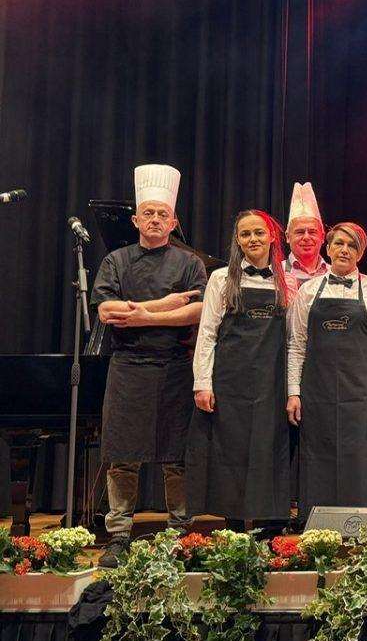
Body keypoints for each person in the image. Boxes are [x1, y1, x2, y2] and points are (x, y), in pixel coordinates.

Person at [93, 165, 206, 567]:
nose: (156, 220)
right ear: (136, 219)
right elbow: (106, 309)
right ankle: (119, 534)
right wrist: (164, 305)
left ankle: (180, 532)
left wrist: (143, 315)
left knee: (177, 456)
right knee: (123, 454)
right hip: (128, 367)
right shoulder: (116, 261)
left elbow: (197, 311)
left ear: (173, 222)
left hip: (176, 367)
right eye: (149, 214)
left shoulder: (189, 263)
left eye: (163, 215)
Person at [187, 210, 293, 534]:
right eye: (245, 234)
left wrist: (291, 389)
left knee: (268, 452)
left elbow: (291, 340)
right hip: (230, 381)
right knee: (229, 455)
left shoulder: (285, 280)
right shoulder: (221, 278)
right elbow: (207, 334)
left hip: (270, 383)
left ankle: (269, 532)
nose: (252, 240)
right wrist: (202, 383)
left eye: (258, 233)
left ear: (272, 236)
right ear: (238, 240)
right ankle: (232, 530)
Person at [287, 222, 367, 518]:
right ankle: (315, 525)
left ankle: (360, 524)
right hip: (316, 394)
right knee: (317, 459)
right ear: (328, 249)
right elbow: (296, 346)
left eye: (352, 246)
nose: (344, 250)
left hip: (360, 393)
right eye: (339, 244)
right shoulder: (308, 291)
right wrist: (293, 392)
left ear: (360, 254)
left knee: (358, 459)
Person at [282, 182, 329, 286]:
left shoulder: (335, 275)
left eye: (312, 232)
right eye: (300, 232)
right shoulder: (275, 273)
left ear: (322, 236)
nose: (306, 237)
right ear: (287, 237)